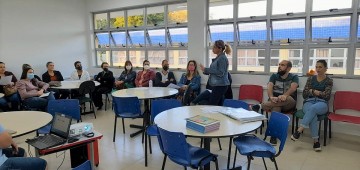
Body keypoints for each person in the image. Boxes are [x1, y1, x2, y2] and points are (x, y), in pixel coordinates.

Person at [251, 60, 299, 145]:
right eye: (279, 64)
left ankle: (260, 106)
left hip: (289, 102)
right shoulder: (274, 76)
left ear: (289, 68)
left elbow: (293, 88)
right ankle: (274, 136)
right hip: (275, 101)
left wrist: (285, 95)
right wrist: (271, 97)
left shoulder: (294, 77)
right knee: (277, 107)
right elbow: (269, 87)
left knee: (288, 99)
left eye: (282, 65)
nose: (279, 66)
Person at [291, 60, 333, 151]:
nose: (318, 69)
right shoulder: (310, 79)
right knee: (312, 115)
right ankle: (316, 142)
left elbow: (327, 96)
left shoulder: (329, 80)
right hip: (308, 101)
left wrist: (312, 91)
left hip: (322, 103)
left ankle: (299, 130)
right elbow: (305, 94)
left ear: (326, 68)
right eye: (316, 67)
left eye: (320, 67)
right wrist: (316, 92)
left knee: (313, 108)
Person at [200, 40, 230, 106]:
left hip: (221, 85)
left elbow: (220, 72)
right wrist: (205, 71)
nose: (212, 49)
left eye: (214, 47)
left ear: (219, 48)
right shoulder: (218, 57)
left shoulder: (222, 58)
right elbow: (214, 71)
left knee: (212, 105)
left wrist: (206, 69)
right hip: (217, 85)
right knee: (218, 105)